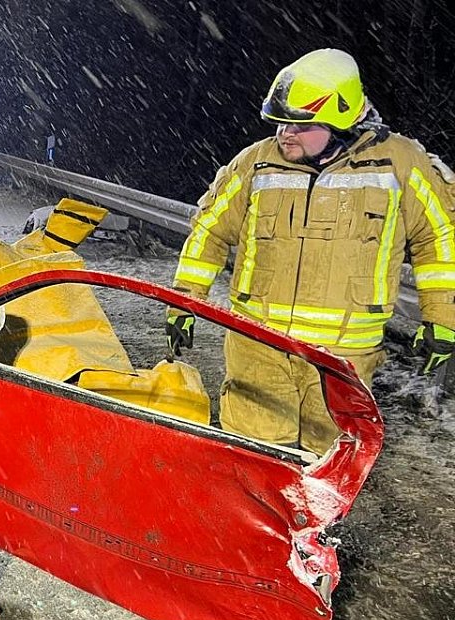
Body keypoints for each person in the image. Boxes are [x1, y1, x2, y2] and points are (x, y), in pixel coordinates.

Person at [167, 49, 455, 455]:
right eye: (281, 122)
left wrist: (442, 318)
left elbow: (438, 239)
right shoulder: (256, 164)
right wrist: (184, 303)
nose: (286, 133)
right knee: (253, 457)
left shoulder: (401, 165)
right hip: (258, 347)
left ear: (341, 120)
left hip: (343, 359)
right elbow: (209, 234)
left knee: (327, 463)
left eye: (301, 125)